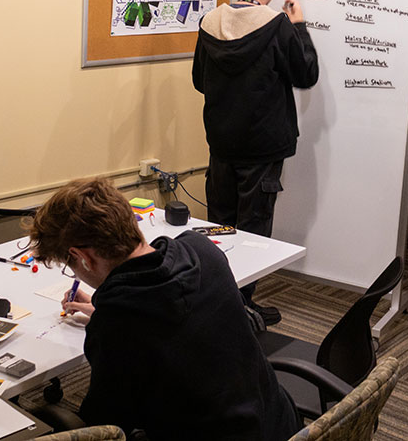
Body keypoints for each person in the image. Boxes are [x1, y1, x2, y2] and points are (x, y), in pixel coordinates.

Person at [30, 178, 300, 440]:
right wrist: (106, 305)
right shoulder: (201, 249)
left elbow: (107, 424)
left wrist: (108, 314)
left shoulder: (116, 323)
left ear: (83, 257)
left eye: (70, 265)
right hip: (277, 420)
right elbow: (174, 321)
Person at [191, 0, 319, 326]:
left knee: (221, 225)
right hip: (263, 146)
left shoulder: (210, 21)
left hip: (221, 142)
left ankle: (222, 301)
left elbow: (200, 80)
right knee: (253, 230)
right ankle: (242, 308)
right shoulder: (277, 25)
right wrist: (299, 26)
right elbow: (305, 74)